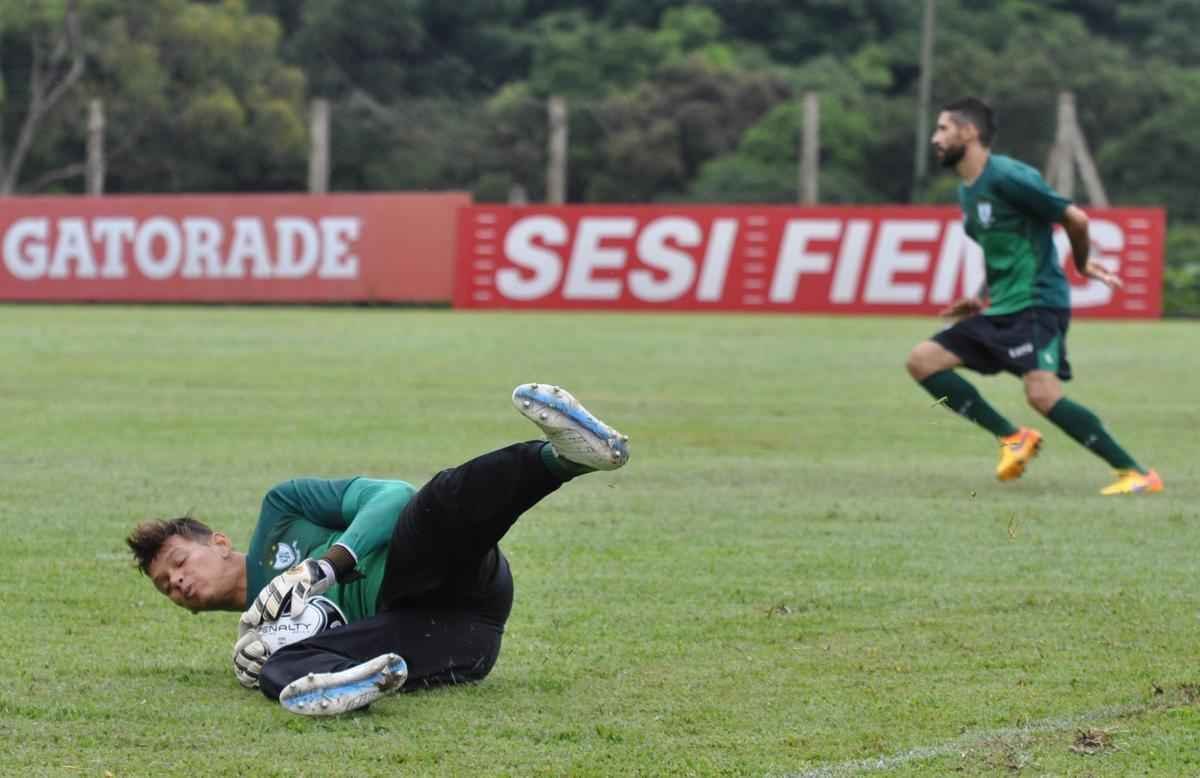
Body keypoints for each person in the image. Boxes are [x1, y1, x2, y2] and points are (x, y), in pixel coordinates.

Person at [126, 383, 630, 715]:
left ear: (218, 543)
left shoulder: (281, 510)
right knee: (276, 674)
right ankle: (353, 688)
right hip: (455, 638)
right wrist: (263, 662)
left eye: (178, 562)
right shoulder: (258, 638)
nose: (178, 583)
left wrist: (325, 566)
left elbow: (391, 496)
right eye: (167, 588)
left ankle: (566, 458)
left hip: (438, 569)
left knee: (435, 503)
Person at [906, 96, 1162, 495]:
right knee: (923, 361)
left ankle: (1136, 473)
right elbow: (1000, 248)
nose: (935, 138)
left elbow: (1075, 218)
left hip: (1038, 303)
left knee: (1042, 395)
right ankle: (1012, 438)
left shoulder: (1008, 176)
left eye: (943, 129)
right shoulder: (967, 192)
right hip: (1002, 307)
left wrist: (1081, 264)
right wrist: (979, 296)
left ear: (969, 132)